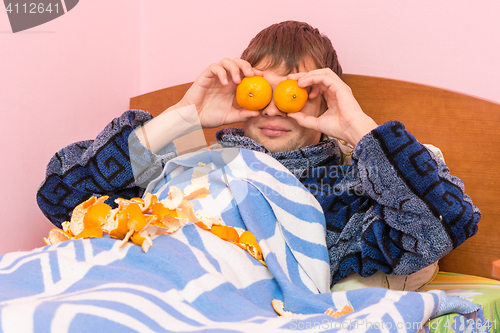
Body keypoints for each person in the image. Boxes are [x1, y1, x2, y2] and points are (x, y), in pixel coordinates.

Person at [37, 20, 480, 287]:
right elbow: (59, 198)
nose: (271, 107)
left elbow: (445, 223)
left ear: (326, 100)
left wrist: (358, 128)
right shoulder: (186, 160)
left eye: (295, 93)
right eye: (260, 91)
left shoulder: (346, 188)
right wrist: (181, 116)